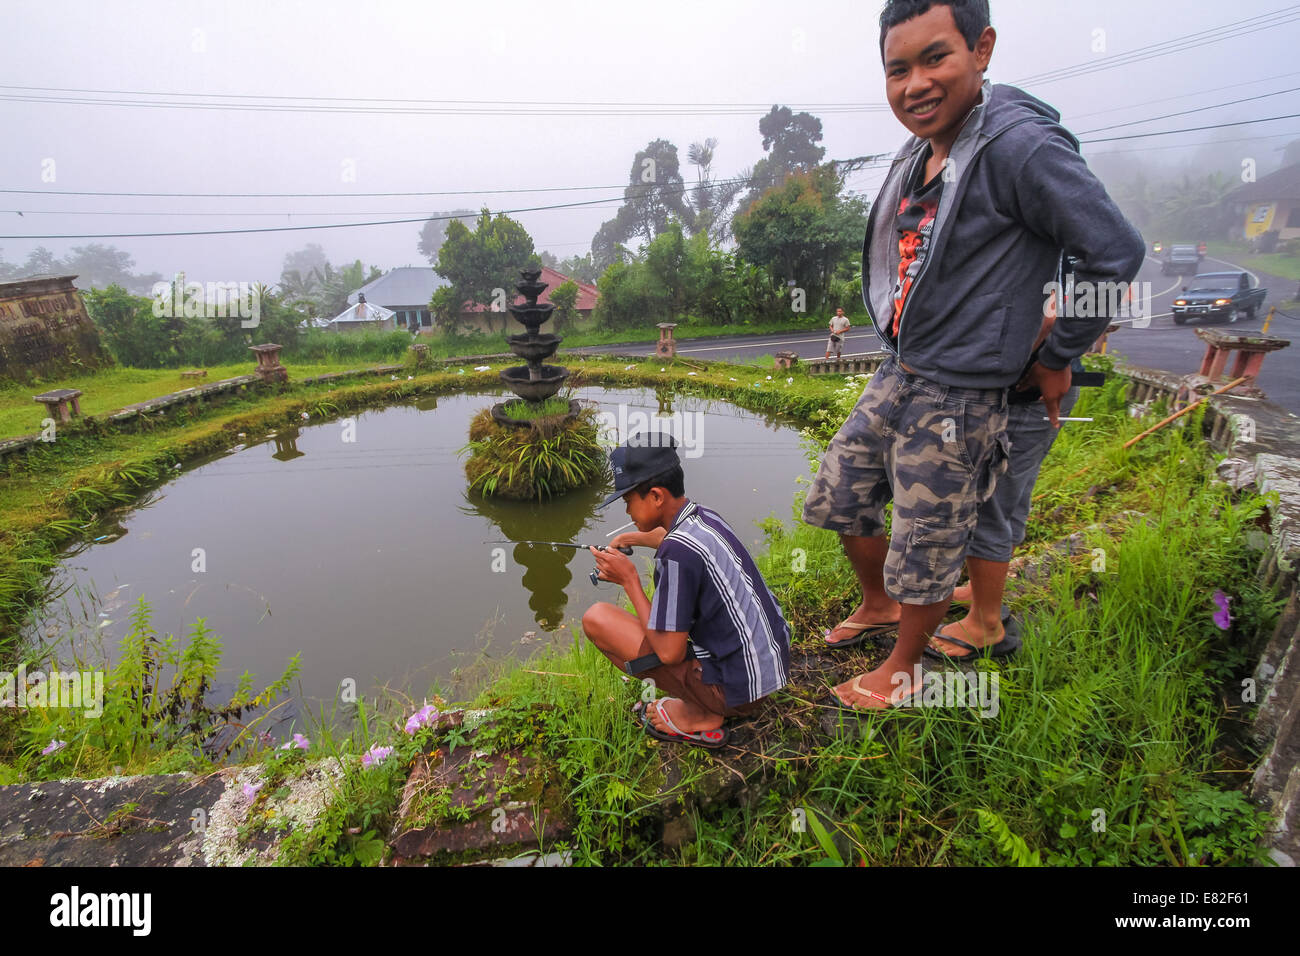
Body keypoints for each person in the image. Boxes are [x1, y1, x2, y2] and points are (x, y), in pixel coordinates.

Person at [804, 0, 1143, 710]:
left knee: (927, 537)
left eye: (936, 58)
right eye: (897, 69)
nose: (915, 84)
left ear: (981, 49)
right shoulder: (920, 151)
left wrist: (1059, 353)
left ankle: (904, 670)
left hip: (963, 390)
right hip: (903, 365)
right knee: (840, 491)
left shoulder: (1020, 148)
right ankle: (880, 604)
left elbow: (1113, 253)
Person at [582, 434, 791, 747]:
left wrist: (629, 581)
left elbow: (669, 653)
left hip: (739, 693)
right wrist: (631, 539)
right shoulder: (704, 518)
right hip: (767, 668)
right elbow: (670, 538)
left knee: (597, 619)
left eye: (628, 502)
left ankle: (703, 710)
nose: (627, 511)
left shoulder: (676, 555)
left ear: (655, 496)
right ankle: (708, 700)